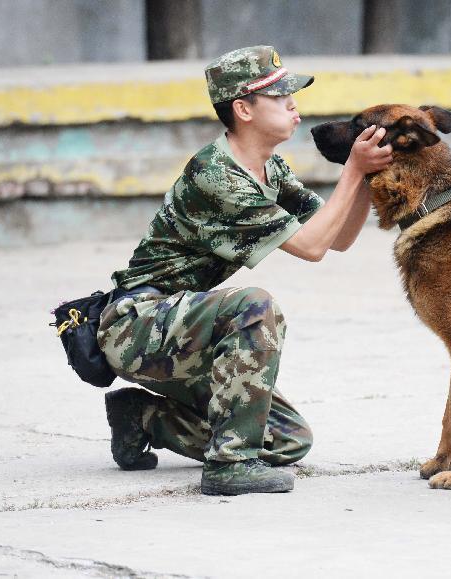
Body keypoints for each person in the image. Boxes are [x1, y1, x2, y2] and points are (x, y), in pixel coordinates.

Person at [97, 46, 393, 495]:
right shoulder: (218, 175)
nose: (293, 105)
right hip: (138, 323)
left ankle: (144, 419)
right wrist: (353, 171)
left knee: (287, 440)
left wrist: (368, 180)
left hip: (186, 328)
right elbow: (311, 248)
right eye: (279, 96)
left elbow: (337, 238)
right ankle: (227, 468)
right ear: (243, 109)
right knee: (255, 307)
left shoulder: (267, 167)